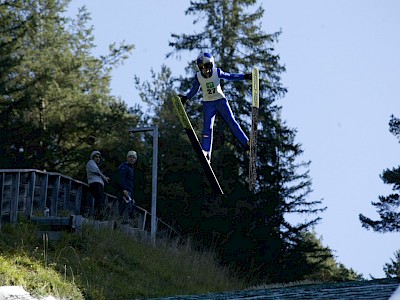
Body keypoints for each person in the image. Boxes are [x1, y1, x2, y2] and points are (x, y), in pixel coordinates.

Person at [178, 52, 252, 161]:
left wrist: (245, 76)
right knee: (207, 127)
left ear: (212, 65)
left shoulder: (216, 72)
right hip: (208, 104)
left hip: (221, 101)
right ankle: (206, 152)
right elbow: (195, 89)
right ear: (199, 68)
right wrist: (186, 97)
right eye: (202, 68)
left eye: (207, 67)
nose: (205, 70)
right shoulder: (198, 77)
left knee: (231, 121)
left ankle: (246, 143)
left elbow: (230, 77)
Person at [86, 150, 110, 220]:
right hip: (95, 184)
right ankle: (98, 217)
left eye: (99, 157)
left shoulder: (95, 165)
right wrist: (104, 177)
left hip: (98, 184)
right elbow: (96, 171)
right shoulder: (91, 162)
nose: (98, 158)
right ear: (93, 158)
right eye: (96, 157)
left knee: (100, 201)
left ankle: (99, 217)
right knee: (99, 201)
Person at [118, 150, 137, 219]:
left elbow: (131, 183)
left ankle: (127, 221)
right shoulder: (124, 167)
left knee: (131, 206)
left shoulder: (131, 168)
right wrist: (124, 189)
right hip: (125, 190)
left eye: (133, 157)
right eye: (130, 157)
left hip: (129, 191)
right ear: (127, 158)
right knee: (126, 206)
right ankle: (123, 221)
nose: (132, 159)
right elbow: (121, 178)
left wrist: (133, 197)